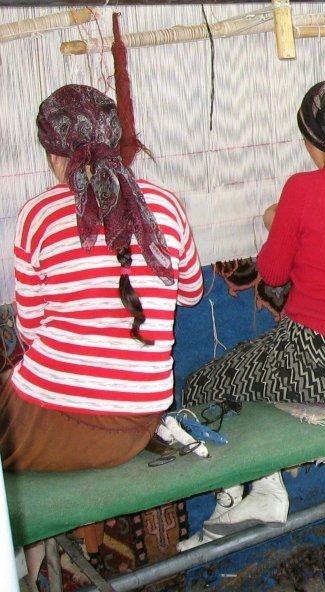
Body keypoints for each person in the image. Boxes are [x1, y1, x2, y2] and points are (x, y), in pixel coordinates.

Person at [178, 80, 325, 547]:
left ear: (315, 141)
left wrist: (276, 219)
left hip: (323, 359)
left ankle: (246, 496)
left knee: (201, 384)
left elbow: (272, 272)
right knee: (253, 369)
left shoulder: (304, 189)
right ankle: (262, 490)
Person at [1, 84, 204, 568]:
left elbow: (29, 333)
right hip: (140, 418)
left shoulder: (36, 215)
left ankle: (28, 567)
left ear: (54, 153)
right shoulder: (168, 205)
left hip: (53, 420)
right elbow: (191, 294)